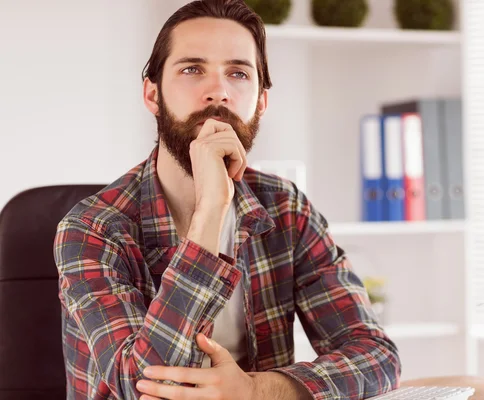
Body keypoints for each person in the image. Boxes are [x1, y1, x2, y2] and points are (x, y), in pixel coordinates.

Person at [53, 1, 401, 399]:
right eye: (192, 69)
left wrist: (258, 390)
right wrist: (211, 211)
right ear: (152, 94)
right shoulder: (92, 229)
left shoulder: (286, 208)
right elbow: (143, 389)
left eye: (237, 73)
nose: (217, 91)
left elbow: (376, 354)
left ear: (261, 102)